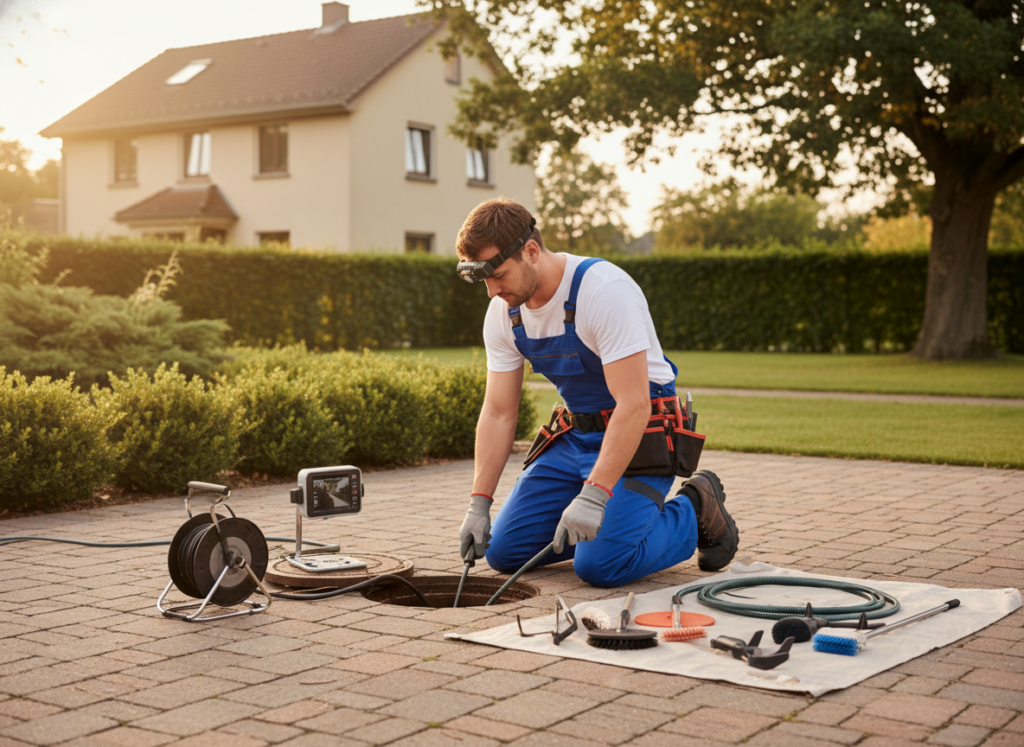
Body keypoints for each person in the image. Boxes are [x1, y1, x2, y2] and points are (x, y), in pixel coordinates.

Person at [455, 197, 738, 587]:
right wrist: (479, 502)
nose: (491, 291)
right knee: (504, 553)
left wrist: (594, 496)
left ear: (531, 251)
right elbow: (499, 412)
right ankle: (609, 527)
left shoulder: (603, 291)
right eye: (483, 280)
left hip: (641, 434)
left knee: (601, 566)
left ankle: (696, 506)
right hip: (577, 439)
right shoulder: (505, 311)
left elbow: (634, 404)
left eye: (498, 275)